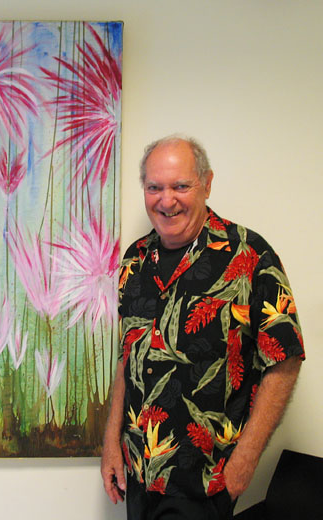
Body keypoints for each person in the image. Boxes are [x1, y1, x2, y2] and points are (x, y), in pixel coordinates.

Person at [101, 135, 305, 519]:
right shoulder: (134, 261)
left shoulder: (251, 256)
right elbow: (127, 360)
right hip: (141, 474)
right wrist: (111, 443)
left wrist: (245, 460)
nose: (167, 200)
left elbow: (285, 359)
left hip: (206, 479)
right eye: (154, 187)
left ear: (207, 184)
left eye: (181, 186)